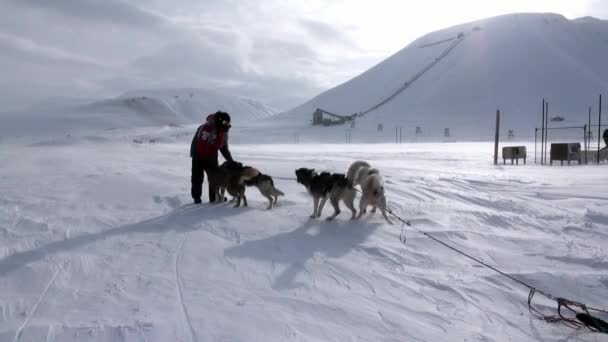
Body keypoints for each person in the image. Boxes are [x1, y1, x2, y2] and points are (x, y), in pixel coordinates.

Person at [190, 111, 234, 204]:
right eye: (225, 124)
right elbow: (196, 141)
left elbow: (223, 148)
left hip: (210, 157)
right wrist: (194, 154)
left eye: (228, 125)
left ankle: (213, 198)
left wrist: (231, 161)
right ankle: (197, 199)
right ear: (219, 121)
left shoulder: (223, 132)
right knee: (197, 178)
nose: (226, 128)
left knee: (214, 178)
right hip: (199, 155)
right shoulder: (205, 127)